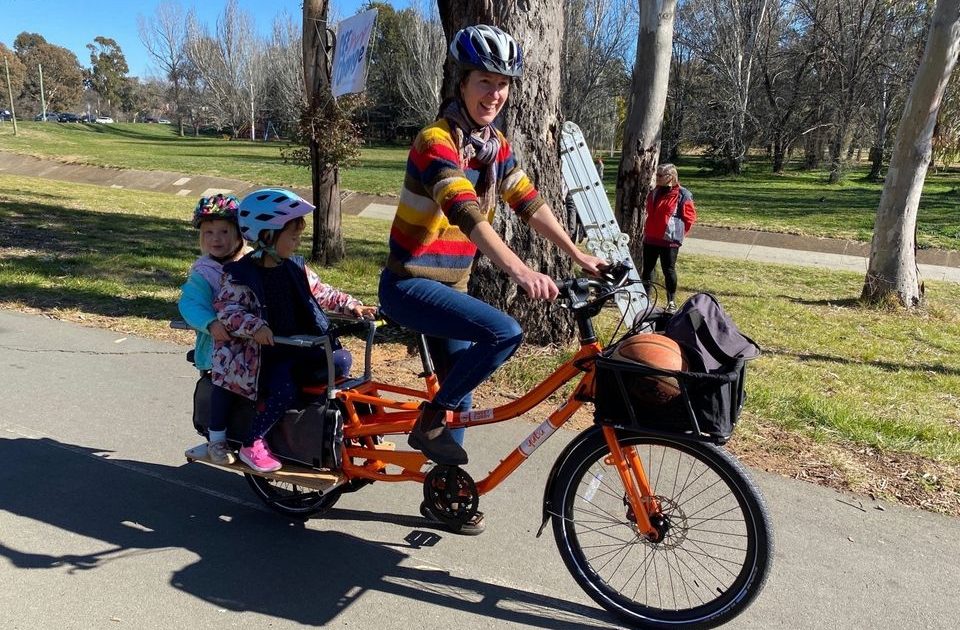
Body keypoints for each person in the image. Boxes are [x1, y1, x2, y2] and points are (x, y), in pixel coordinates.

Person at [378, 24, 605, 476]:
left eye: (503, 84)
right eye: (485, 81)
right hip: (408, 284)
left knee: (459, 389)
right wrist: (520, 271)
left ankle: (445, 488)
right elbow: (465, 211)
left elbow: (529, 203)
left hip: (452, 287)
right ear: (462, 82)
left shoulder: (494, 147)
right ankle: (429, 422)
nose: (495, 93)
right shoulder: (435, 141)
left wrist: (577, 254)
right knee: (503, 332)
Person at [212, 188, 377, 473]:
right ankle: (253, 442)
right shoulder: (240, 274)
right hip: (264, 356)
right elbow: (228, 312)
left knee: (341, 360)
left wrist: (353, 306)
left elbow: (323, 293)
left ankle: (324, 426)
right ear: (267, 236)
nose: (298, 241)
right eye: (293, 236)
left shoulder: (295, 267)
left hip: (299, 347)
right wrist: (256, 326)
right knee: (283, 387)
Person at [178, 194, 249, 465]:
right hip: (218, 346)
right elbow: (190, 303)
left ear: (239, 233)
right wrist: (211, 323)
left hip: (249, 342)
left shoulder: (251, 263)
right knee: (224, 387)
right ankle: (217, 440)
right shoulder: (204, 272)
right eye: (208, 233)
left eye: (223, 231)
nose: (215, 239)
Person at [641, 163, 697, 312]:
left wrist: (678, 234)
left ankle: (671, 301)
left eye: (660, 175)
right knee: (647, 269)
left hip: (669, 241)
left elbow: (690, 217)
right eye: (656, 175)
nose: (657, 178)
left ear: (670, 177)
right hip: (651, 237)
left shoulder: (683, 194)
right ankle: (644, 298)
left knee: (669, 270)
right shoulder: (654, 193)